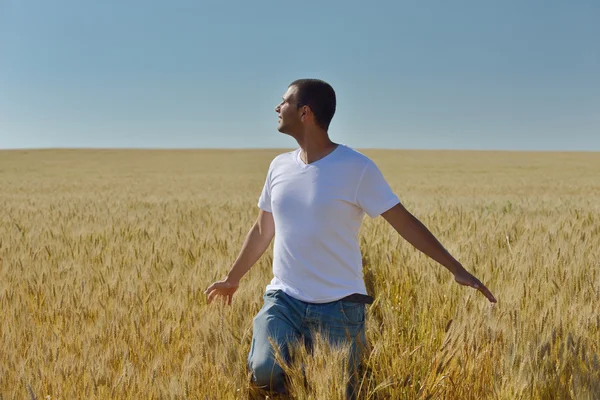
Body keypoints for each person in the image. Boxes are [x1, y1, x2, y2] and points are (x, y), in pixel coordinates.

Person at [204, 78, 496, 399]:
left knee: (336, 391)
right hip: (284, 299)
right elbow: (263, 229)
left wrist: (455, 267)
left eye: (284, 102)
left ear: (305, 113)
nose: (277, 107)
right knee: (263, 370)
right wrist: (232, 278)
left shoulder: (356, 168)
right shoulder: (278, 166)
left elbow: (404, 222)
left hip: (340, 306)